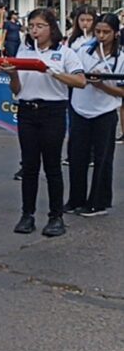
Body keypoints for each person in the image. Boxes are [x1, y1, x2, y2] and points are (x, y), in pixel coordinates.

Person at [1, 8, 86, 237]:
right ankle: (27, 214)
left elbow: (80, 81)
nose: (35, 30)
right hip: (27, 110)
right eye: (31, 26)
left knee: (52, 166)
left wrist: (53, 72)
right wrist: (13, 75)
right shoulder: (24, 50)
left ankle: (55, 216)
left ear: (51, 28)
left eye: (40, 26)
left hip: (52, 111)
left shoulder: (65, 53)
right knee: (29, 166)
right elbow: (17, 89)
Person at [64, 13, 124, 217]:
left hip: (105, 112)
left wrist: (101, 85)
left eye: (106, 32)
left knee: (103, 159)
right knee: (77, 157)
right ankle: (75, 199)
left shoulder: (121, 57)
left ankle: (98, 202)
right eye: (98, 31)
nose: (101, 36)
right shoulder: (82, 51)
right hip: (80, 109)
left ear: (116, 34)